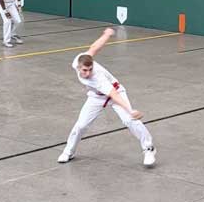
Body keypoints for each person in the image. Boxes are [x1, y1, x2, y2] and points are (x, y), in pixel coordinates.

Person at [57, 27, 157, 166]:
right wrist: (106, 34)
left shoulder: (98, 78)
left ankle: (149, 148)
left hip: (115, 92)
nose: (88, 72)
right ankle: (69, 151)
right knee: (81, 125)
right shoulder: (78, 60)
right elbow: (94, 48)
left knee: (130, 120)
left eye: (90, 69)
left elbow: (114, 95)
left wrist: (130, 110)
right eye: (85, 70)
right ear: (78, 67)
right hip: (96, 96)